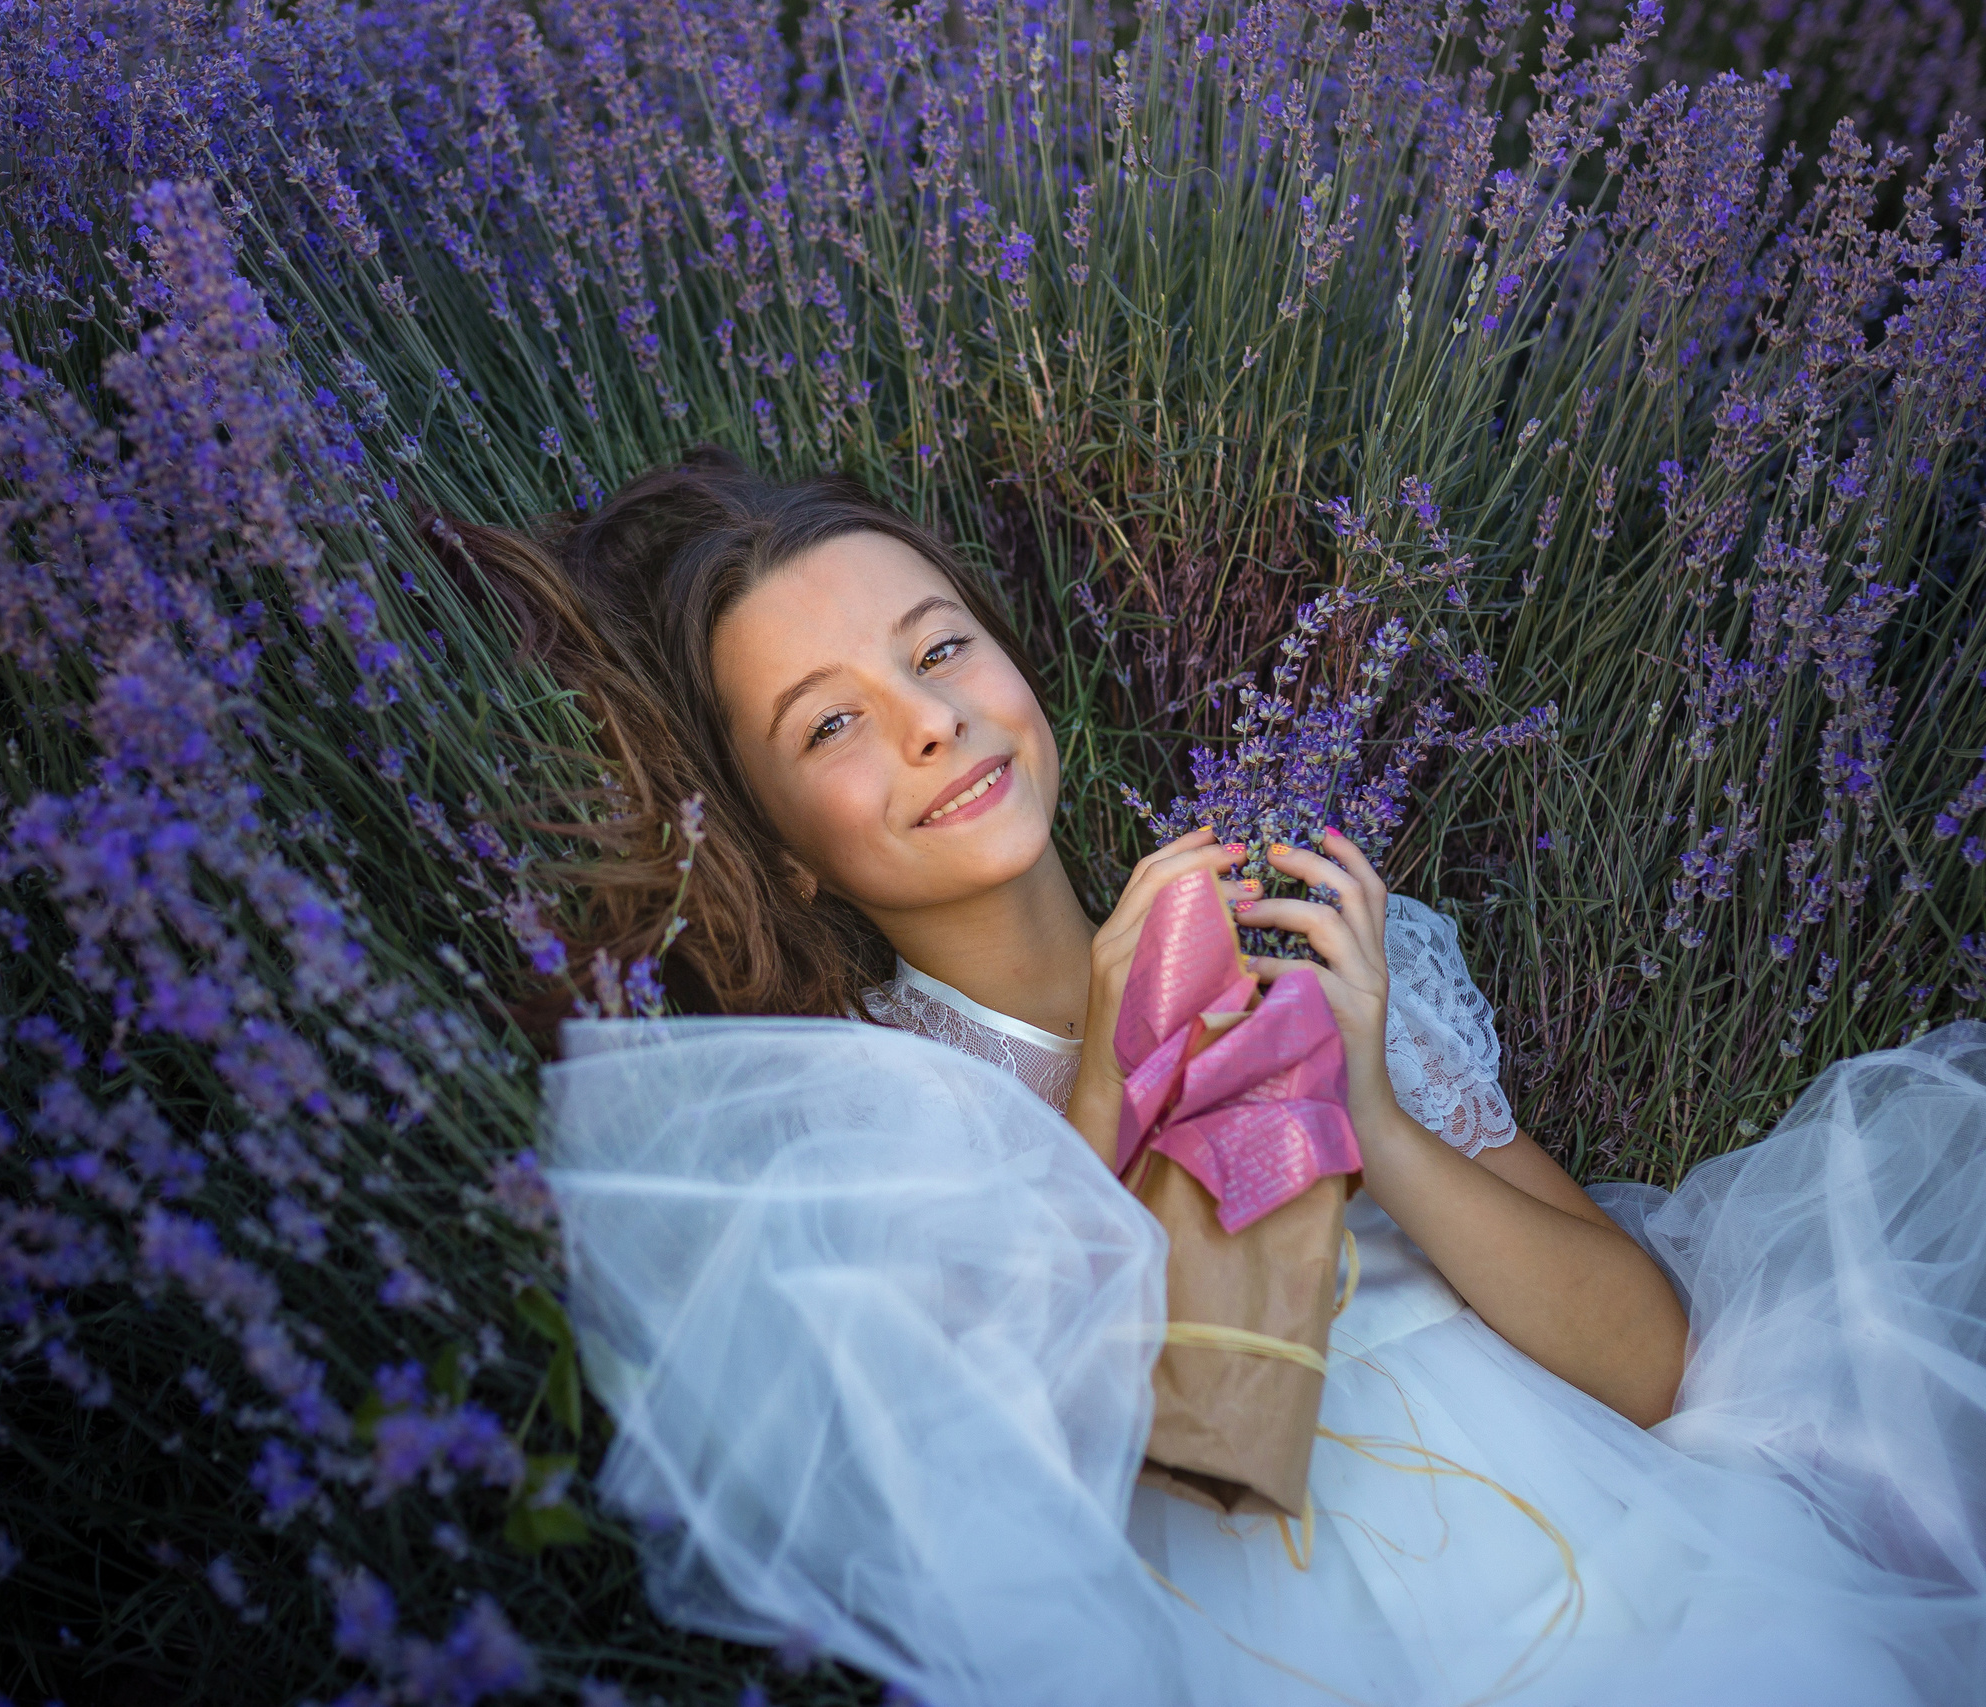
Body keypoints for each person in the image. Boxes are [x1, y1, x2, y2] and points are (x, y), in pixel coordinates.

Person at [441, 449, 1986, 1705]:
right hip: (1259, 1649)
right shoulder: (869, 1126)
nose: (933, 722)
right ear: (780, 838)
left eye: (941, 646)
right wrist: (1109, 1087)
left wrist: (1371, 1107)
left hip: (1621, 1549)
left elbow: (1650, 1366)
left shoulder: (1290, 939)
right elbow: (1002, 1520)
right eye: (834, 722)